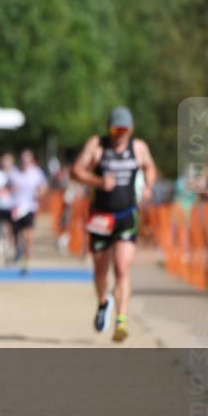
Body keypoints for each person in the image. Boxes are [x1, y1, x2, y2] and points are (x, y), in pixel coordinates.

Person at [71, 106, 157, 343]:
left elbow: (150, 167)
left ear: (131, 129)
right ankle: (102, 303)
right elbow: (75, 170)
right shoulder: (97, 145)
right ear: (109, 128)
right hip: (100, 217)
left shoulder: (138, 148)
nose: (119, 135)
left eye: (124, 130)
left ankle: (121, 319)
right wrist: (98, 181)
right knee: (100, 271)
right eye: (115, 129)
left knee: (121, 268)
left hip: (126, 216)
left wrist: (148, 186)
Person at [8, 149, 48, 274]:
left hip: (29, 208)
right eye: (23, 160)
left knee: (28, 236)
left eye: (27, 160)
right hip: (15, 207)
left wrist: (39, 193)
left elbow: (44, 187)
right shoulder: (13, 173)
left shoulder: (36, 173)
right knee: (15, 235)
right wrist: (11, 189)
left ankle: (25, 262)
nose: (25, 162)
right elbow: (7, 187)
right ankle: (18, 250)